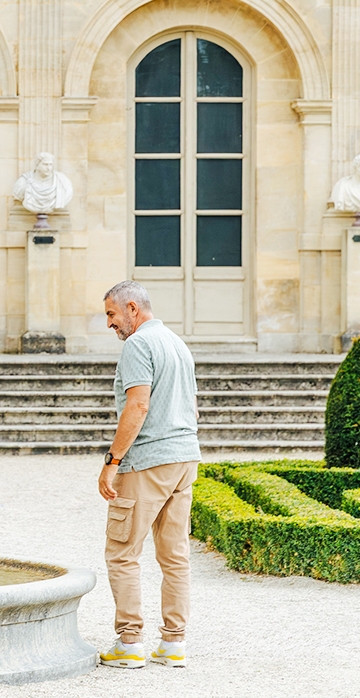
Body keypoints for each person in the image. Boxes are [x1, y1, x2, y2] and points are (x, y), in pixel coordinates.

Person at [97, 280, 198, 670]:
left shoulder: (138, 344)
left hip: (150, 461)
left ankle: (130, 643)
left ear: (133, 309)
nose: (110, 323)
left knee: (122, 552)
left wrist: (112, 461)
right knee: (175, 556)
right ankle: (174, 645)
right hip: (184, 458)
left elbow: (137, 406)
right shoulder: (176, 342)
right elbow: (191, 406)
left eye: (111, 313)